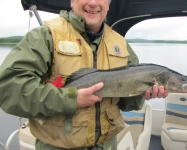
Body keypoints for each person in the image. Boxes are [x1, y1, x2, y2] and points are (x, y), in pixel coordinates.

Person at [0, 0, 168, 149]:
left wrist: (142, 93)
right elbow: (8, 90)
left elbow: (127, 104)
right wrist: (70, 99)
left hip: (108, 145)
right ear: (72, 1)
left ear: (108, 4)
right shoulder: (45, 36)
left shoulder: (121, 45)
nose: (93, 3)